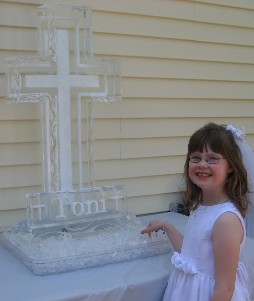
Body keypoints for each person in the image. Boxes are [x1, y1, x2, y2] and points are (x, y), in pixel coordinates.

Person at [141, 123, 253, 301]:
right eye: (196, 158)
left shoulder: (226, 220)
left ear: (231, 166)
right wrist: (166, 226)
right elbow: (193, 255)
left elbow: (225, 288)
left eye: (212, 159)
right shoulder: (201, 205)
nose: (202, 164)